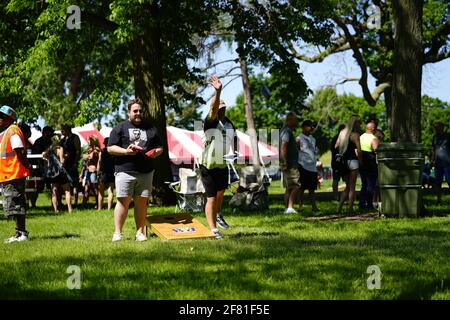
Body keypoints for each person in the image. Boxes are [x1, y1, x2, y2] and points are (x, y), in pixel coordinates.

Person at [107, 98, 163, 242]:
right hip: (125, 171)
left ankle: (139, 233)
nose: (138, 113)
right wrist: (126, 152)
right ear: (129, 112)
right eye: (135, 111)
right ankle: (118, 233)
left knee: (142, 203)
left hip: (146, 172)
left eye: (140, 111)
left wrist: (156, 152)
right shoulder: (120, 127)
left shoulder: (151, 128)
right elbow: (110, 148)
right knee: (123, 202)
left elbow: (160, 147)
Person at [199, 75, 238, 239]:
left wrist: (235, 152)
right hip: (207, 165)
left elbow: (235, 138)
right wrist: (218, 91)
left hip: (222, 164)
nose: (221, 110)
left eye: (223, 108)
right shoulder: (210, 122)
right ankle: (214, 230)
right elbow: (214, 108)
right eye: (219, 108)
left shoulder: (229, 123)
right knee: (212, 198)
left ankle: (218, 214)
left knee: (221, 193)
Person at [0, 105, 31, 243]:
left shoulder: (12, 130)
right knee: (14, 204)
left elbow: (19, 151)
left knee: (17, 204)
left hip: (14, 174)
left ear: (9, 118)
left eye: (2, 116)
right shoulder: (6, 132)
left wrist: (27, 166)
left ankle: (22, 234)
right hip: (9, 174)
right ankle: (19, 233)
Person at [335, 115, 362, 215]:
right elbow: (359, 150)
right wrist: (361, 161)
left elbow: (336, 146)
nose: (359, 124)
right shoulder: (355, 135)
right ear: (355, 123)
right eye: (359, 122)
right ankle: (350, 210)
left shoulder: (342, 133)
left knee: (347, 187)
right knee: (352, 187)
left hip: (343, 162)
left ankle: (339, 208)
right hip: (353, 162)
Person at [42, 135, 73, 213]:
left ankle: (55, 210)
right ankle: (70, 209)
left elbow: (44, 156)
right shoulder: (60, 148)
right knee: (67, 191)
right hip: (61, 172)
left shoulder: (49, 149)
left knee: (54, 191)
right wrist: (66, 156)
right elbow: (62, 161)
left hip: (53, 173)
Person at [280, 111, 300, 214]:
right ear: (290, 120)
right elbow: (284, 146)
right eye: (295, 120)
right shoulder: (287, 131)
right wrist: (285, 161)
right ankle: (290, 207)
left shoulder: (285, 130)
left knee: (288, 187)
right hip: (290, 163)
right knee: (296, 185)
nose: (296, 122)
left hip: (289, 162)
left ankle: (287, 208)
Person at [297, 120, 319, 212]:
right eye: (309, 126)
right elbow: (296, 151)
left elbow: (314, 151)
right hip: (303, 165)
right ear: (303, 127)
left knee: (312, 188)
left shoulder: (313, 139)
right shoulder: (299, 138)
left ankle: (314, 207)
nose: (311, 128)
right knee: (301, 188)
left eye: (312, 126)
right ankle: (300, 206)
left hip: (312, 167)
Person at [359, 120, 380, 210]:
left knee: (364, 184)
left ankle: (361, 203)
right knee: (371, 184)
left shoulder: (361, 137)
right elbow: (377, 150)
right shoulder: (373, 139)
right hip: (370, 163)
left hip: (362, 162)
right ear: (373, 129)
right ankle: (369, 204)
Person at [60, 123, 82, 207]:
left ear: (67, 129)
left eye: (63, 129)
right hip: (65, 164)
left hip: (72, 163)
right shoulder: (63, 139)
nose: (61, 131)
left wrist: (75, 162)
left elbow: (78, 151)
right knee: (66, 184)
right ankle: (68, 203)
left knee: (74, 183)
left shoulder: (75, 137)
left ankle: (76, 202)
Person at [431, 122, 450, 204]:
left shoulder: (448, 136)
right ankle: (439, 200)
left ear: (442, 127)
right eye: (435, 127)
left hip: (448, 163)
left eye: (437, 127)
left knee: (449, 181)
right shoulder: (434, 137)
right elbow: (434, 150)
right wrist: (432, 160)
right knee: (438, 182)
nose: (436, 129)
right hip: (438, 163)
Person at [81, 135, 101, 206]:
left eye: (89, 140)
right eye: (88, 140)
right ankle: (84, 204)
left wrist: (86, 156)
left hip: (93, 171)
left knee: (95, 187)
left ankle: (97, 203)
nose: (88, 142)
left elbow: (90, 157)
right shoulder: (88, 149)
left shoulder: (97, 150)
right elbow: (84, 159)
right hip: (87, 170)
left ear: (93, 141)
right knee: (87, 187)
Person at [97, 137, 115, 210]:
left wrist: (98, 172)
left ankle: (99, 208)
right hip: (111, 172)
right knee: (110, 191)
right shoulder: (114, 152)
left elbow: (99, 162)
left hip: (103, 173)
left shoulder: (102, 152)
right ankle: (109, 208)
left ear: (104, 144)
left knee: (100, 191)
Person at [331, 124, 346, 200]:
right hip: (340, 162)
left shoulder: (334, 138)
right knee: (344, 179)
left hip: (335, 162)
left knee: (336, 179)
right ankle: (345, 194)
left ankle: (336, 196)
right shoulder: (342, 138)